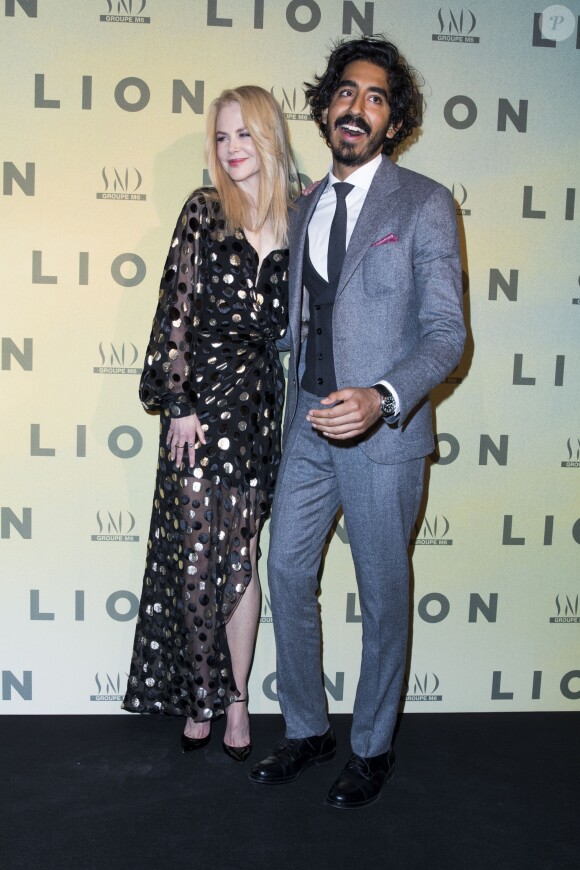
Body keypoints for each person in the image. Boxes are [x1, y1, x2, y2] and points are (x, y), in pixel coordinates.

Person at [249, 36, 466, 806]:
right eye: (347, 92)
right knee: (284, 572)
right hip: (306, 421)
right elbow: (299, 323)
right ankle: (308, 729)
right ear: (327, 104)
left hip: (381, 434)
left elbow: (447, 333)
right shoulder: (306, 203)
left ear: (393, 121)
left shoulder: (425, 204)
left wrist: (381, 395)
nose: (358, 107)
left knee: (381, 593)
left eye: (377, 98)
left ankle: (372, 747)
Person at [122, 86, 299, 763]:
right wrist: (177, 403)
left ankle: (236, 700)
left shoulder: (301, 218)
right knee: (198, 559)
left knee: (241, 561)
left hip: (257, 406)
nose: (231, 149)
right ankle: (199, 695)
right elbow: (175, 306)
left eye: (243, 135)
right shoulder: (202, 210)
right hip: (199, 409)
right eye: (222, 137)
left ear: (268, 138)